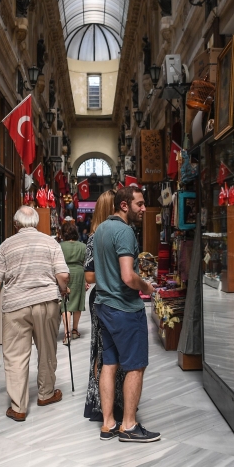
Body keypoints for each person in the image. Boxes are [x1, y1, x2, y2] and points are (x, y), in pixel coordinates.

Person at [0, 206, 70, 422]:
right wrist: (62, 290)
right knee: (47, 349)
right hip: (46, 302)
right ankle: (46, 394)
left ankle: (18, 407)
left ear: (16, 225)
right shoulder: (51, 242)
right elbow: (62, 275)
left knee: (15, 356)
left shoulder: (6, 245)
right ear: (36, 223)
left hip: (15, 305)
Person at [93, 186, 159, 442]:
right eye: (139, 204)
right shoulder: (125, 231)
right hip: (124, 308)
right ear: (124, 205)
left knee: (109, 364)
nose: (144, 209)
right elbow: (128, 276)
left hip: (104, 306)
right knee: (136, 366)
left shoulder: (100, 230)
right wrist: (146, 286)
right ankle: (129, 425)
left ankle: (108, 423)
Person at [83, 191, 125, 422]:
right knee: (103, 350)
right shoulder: (96, 237)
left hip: (112, 297)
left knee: (115, 350)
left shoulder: (113, 234)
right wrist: (115, 276)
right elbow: (89, 276)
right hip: (103, 298)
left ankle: (116, 400)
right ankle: (103, 403)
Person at [60, 221, 87, 343]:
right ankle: (75, 330)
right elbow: (86, 264)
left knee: (65, 303)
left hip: (63, 273)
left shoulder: (59, 246)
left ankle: (66, 333)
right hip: (79, 273)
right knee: (77, 302)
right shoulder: (83, 246)